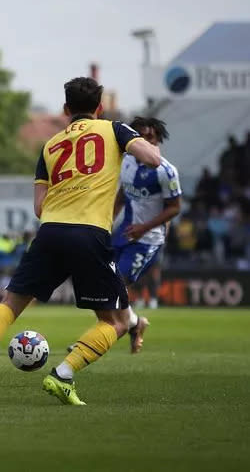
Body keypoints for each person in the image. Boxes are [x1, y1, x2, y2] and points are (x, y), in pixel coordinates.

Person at [0, 77, 162, 405]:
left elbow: (38, 207)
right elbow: (153, 159)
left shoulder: (50, 145)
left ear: (65, 110)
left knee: (10, 303)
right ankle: (63, 375)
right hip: (89, 233)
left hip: (50, 232)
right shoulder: (114, 129)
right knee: (115, 322)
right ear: (99, 108)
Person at [112, 117, 181, 350]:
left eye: (149, 137)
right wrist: (106, 221)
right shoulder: (128, 161)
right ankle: (134, 323)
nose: (144, 141)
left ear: (158, 139)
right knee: (99, 281)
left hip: (147, 239)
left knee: (116, 283)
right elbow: (122, 195)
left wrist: (145, 227)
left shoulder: (166, 171)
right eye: (140, 136)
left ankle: (104, 335)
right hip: (123, 232)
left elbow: (175, 207)